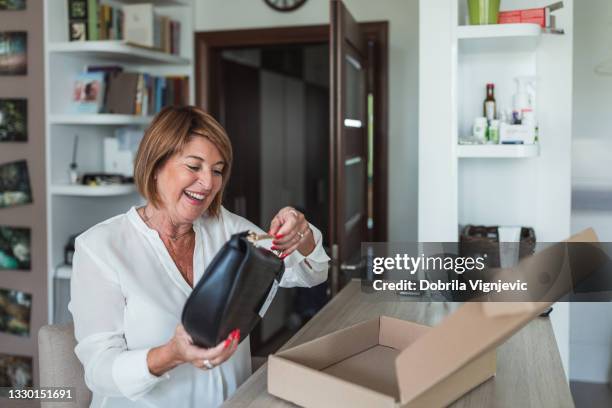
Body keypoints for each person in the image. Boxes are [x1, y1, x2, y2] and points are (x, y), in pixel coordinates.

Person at [69, 106, 330, 408]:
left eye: (217, 170)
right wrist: (170, 355)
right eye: (194, 166)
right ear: (155, 167)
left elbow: (310, 273)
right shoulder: (100, 248)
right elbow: (99, 371)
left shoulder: (226, 227)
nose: (208, 183)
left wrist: (300, 233)